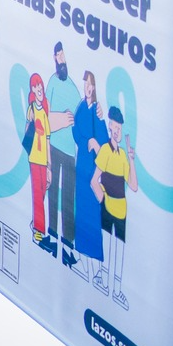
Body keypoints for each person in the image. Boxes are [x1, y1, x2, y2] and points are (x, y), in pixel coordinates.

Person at [93, 105, 139, 309]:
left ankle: (117, 290)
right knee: (105, 243)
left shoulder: (122, 155)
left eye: (120, 128)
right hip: (107, 204)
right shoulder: (105, 150)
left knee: (119, 248)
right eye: (115, 128)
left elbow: (134, 185)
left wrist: (131, 160)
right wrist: (102, 198)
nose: (118, 132)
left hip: (122, 208)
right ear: (110, 128)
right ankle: (102, 277)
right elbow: (94, 180)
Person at [44, 41, 81, 267]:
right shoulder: (52, 83)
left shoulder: (74, 87)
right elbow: (44, 117)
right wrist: (60, 119)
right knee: (53, 194)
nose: (61, 58)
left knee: (68, 198)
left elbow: (81, 115)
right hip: (54, 146)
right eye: (57, 55)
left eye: (63, 54)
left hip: (70, 151)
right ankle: (50, 237)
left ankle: (68, 245)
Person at [71, 69, 108, 284]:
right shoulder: (80, 107)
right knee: (81, 209)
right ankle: (82, 256)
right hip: (82, 163)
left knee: (93, 212)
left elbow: (103, 140)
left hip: (94, 168)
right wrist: (87, 141)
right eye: (86, 84)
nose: (88, 88)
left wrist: (96, 143)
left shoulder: (97, 111)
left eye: (91, 85)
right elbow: (76, 131)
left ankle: (96, 263)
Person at [24, 73, 52, 250]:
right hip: (34, 158)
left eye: (40, 85)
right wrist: (31, 123)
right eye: (36, 86)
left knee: (42, 193)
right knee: (37, 195)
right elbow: (27, 130)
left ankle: (36, 224)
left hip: (43, 160)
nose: (39, 88)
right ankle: (38, 232)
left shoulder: (44, 112)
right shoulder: (32, 109)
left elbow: (48, 139)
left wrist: (49, 166)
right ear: (33, 90)